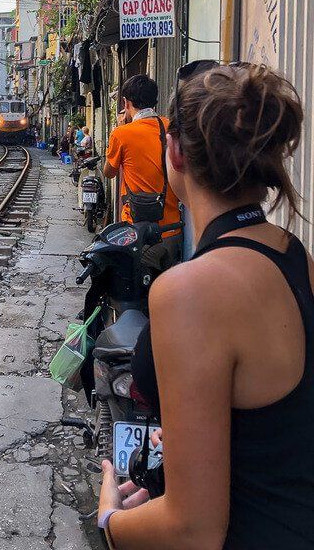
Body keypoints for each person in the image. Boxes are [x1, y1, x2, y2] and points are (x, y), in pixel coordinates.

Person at [98, 63, 314, 550]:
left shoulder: (189, 292)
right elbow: (274, 426)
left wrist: (110, 521)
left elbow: (192, 531)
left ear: (174, 150)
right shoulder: (294, 255)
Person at [104, 75, 181, 265]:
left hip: (137, 233)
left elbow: (109, 172)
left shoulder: (121, 134)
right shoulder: (171, 127)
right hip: (172, 229)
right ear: (155, 101)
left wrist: (120, 128)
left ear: (126, 102)